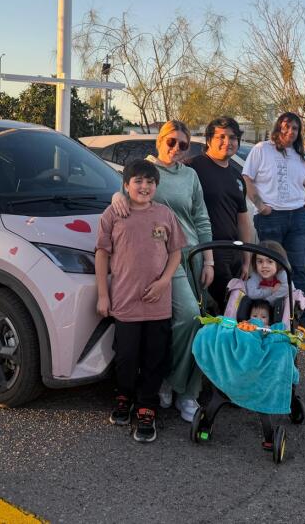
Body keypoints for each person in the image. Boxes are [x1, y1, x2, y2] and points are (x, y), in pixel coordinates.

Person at [111, 120, 213, 422]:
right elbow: (124, 196)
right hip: (152, 258)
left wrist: (209, 260)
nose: (177, 149)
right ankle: (163, 382)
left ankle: (180, 387)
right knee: (170, 322)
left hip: (187, 256)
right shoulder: (144, 170)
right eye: (172, 142)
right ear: (159, 141)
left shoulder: (190, 176)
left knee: (190, 320)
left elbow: (201, 219)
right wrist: (117, 197)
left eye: (183, 144)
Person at [95, 159, 185, 443]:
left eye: (150, 182)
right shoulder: (113, 214)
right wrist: (102, 294)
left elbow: (175, 253)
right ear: (126, 185)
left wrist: (163, 282)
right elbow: (101, 254)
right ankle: (124, 397)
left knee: (154, 356)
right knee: (126, 355)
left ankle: (147, 406)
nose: (144, 186)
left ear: (156, 186)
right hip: (124, 300)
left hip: (158, 302)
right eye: (138, 181)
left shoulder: (165, 215)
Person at [241, 112, 305, 330]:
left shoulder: (302, 155)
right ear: (278, 127)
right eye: (286, 127)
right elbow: (247, 178)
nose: (290, 132)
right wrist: (260, 205)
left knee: (298, 269)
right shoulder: (261, 149)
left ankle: (301, 317)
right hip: (270, 217)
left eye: (295, 128)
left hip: (297, 216)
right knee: (269, 269)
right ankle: (270, 316)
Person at [186, 116, 254, 310]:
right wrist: (121, 196)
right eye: (221, 137)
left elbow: (243, 220)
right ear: (209, 140)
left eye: (232, 138)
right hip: (206, 251)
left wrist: (246, 260)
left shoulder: (236, 175)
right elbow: (160, 174)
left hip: (233, 253)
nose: (228, 142)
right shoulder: (193, 167)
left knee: (231, 310)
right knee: (217, 310)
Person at [244, 240, 289, 306]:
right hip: (258, 309)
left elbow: (288, 288)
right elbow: (251, 293)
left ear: (279, 262)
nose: (264, 266)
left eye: (270, 261)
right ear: (255, 262)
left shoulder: (281, 273)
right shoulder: (256, 275)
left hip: (277, 309)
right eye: (260, 261)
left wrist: (268, 300)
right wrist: (271, 290)